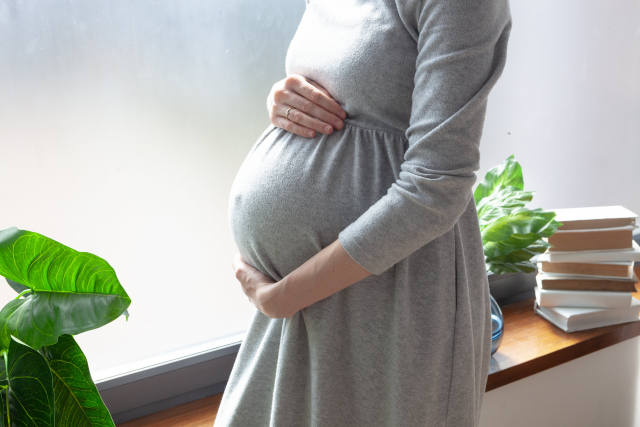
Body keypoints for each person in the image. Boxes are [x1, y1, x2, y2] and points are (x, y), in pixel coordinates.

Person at [215, 0, 511, 425]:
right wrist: (285, 98)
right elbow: (361, 91)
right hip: (300, 302)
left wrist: (285, 297)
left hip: (390, 297)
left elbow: (437, 184)